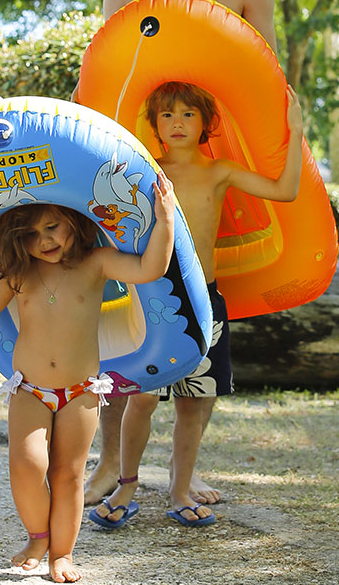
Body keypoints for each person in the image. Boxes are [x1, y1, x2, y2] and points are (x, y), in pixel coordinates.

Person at [82, 0, 277, 509]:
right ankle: (110, 465)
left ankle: (183, 478)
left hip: (211, 179)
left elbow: (265, 88)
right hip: (137, 181)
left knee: (202, 339)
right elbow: (111, 88)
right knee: (126, 332)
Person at [0, 183, 175, 581]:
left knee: (68, 474)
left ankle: (63, 553)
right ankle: (38, 536)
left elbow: (150, 269)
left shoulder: (97, 263)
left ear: (74, 221)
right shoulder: (20, 272)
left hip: (81, 393)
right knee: (26, 464)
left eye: (53, 227)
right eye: (32, 235)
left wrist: (165, 221)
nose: (45, 240)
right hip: (30, 389)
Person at [89, 81, 302, 529]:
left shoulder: (218, 171)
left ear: (206, 122)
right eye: (167, 115)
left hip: (205, 298)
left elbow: (284, 191)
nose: (177, 123)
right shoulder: (145, 170)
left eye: (188, 114)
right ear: (155, 126)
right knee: (142, 397)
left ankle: (180, 488)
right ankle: (127, 485)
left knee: (194, 401)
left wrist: (296, 130)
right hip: (153, 299)